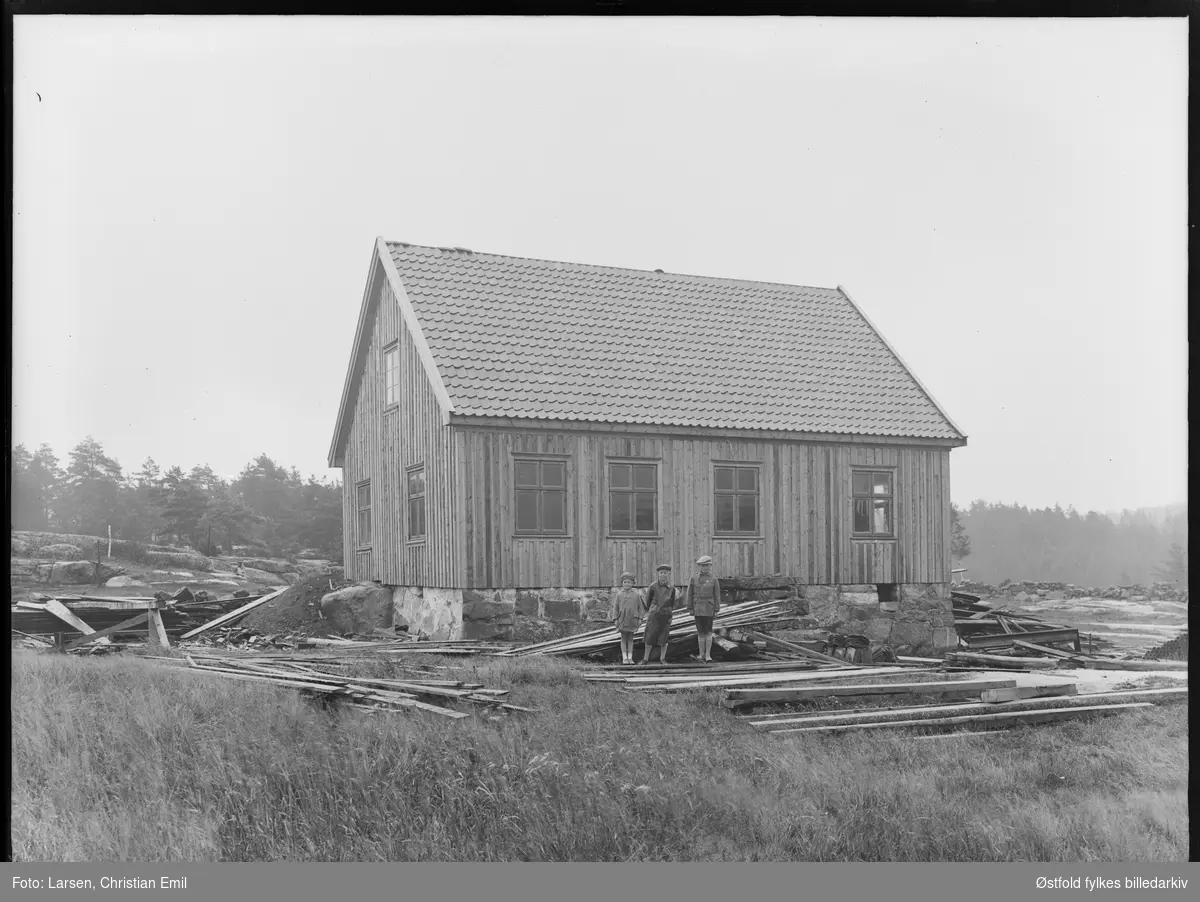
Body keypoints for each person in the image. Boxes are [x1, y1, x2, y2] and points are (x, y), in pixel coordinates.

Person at [639, 564, 678, 666]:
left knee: (664, 637)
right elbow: (648, 600)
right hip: (654, 614)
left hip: (666, 614)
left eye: (665, 573)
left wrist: (669, 610)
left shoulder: (671, 588)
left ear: (669, 574)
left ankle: (662, 658)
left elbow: (673, 602)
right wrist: (652, 609)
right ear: (658, 574)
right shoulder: (653, 586)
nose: (663, 575)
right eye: (661, 573)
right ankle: (645, 658)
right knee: (650, 636)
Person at [685, 555, 722, 663]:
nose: (705, 568)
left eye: (707, 565)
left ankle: (708, 655)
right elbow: (690, 594)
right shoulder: (694, 578)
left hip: (709, 608)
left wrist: (716, 610)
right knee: (700, 632)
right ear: (699, 566)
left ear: (710, 566)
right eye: (702, 565)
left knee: (708, 632)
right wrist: (690, 608)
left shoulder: (714, 579)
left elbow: (717, 596)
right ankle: (701, 654)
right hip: (698, 608)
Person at [609, 571, 646, 665]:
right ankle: (624, 657)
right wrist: (615, 619)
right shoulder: (619, 595)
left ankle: (630, 657)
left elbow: (640, 607)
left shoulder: (636, 595)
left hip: (632, 620)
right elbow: (615, 607)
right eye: (625, 582)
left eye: (629, 582)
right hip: (622, 620)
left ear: (633, 583)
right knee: (623, 638)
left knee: (630, 639)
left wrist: (640, 618)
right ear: (622, 583)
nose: (627, 584)